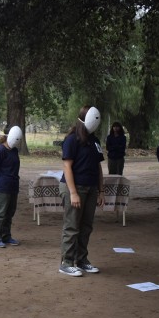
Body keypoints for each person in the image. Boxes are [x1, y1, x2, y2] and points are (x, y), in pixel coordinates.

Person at [58, 105, 104, 277]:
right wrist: (73, 192)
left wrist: (101, 191)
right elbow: (67, 166)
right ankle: (67, 262)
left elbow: (98, 167)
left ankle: (82, 260)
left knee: (86, 226)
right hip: (74, 187)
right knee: (72, 226)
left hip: (91, 188)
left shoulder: (94, 141)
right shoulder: (71, 140)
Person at [0, 126, 22, 248]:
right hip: (1, 187)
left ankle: (6, 236)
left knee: (9, 213)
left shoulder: (14, 150)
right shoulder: (0, 151)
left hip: (13, 186)